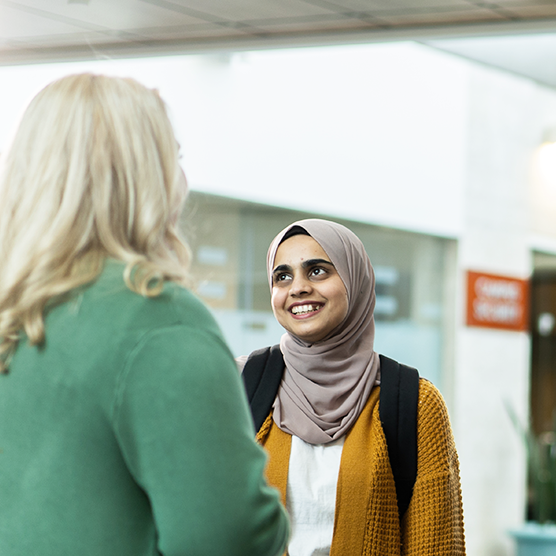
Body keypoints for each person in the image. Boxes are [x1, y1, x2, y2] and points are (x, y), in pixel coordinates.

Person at [0, 73, 289, 556]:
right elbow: (230, 536)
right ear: (144, 176)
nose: (182, 181)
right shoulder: (158, 320)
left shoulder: (15, 312)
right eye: (172, 158)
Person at [239, 218, 465, 556]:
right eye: (282, 276)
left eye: (317, 271)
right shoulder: (240, 386)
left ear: (354, 280)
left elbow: (436, 547)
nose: (298, 287)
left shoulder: (416, 403)